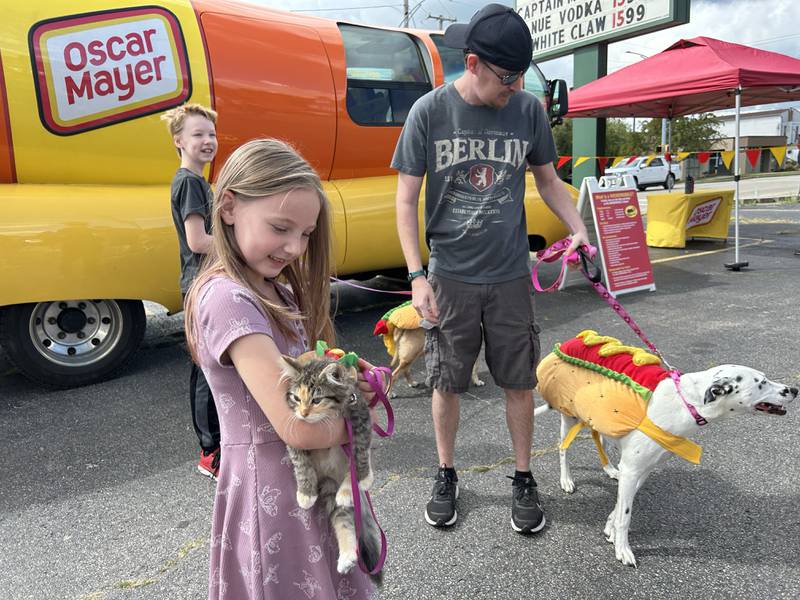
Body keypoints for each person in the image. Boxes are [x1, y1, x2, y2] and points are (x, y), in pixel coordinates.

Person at [391, 3, 590, 534]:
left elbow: (548, 180)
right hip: (450, 276)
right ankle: (446, 472)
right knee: (447, 382)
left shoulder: (525, 110)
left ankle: (524, 477)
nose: (517, 85)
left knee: (519, 381)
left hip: (509, 276)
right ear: (473, 63)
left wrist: (578, 225)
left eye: (522, 74)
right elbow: (405, 199)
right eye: (508, 76)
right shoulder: (428, 113)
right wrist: (416, 275)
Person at [183, 139, 376, 599]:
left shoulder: (272, 289)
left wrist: (338, 374)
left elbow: (298, 378)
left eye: (306, 234)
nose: (294, 246)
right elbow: (299, 428)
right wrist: (359, 414)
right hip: (275, 495)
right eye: (280, 227)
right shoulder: (230, 299)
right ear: (228, 207)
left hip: (306, 485)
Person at [162, 103, 222, 480]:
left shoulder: (198, 182)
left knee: (212, 365)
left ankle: (216, 444)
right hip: (200, 285)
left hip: (206, 283)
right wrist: (242, 244)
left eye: (212, 134)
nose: (207, 141)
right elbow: (197, 241)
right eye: (198, 134)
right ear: (179, 141)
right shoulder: (188, 182)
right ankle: (210, 451)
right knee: (205, 369)